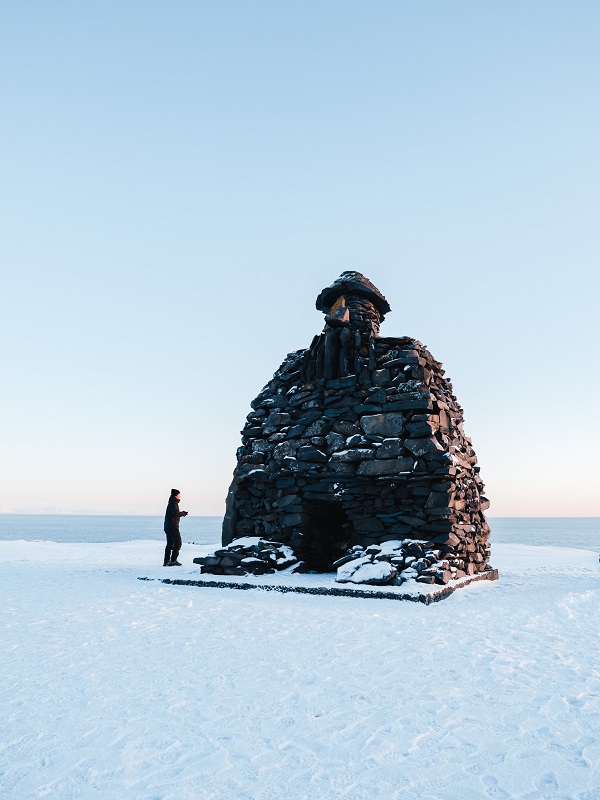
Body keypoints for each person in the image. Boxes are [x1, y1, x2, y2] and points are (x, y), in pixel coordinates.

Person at [163, 489, 188, 566]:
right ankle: (173, 560)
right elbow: (175, 513)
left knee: (170, 544)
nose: (180, 496)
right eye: (179, 494)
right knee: (178, 543)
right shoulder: (173, 502)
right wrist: (183, 513)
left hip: (168, 526)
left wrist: (181, 513)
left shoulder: (171, 502)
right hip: (172, 526)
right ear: (175, 495)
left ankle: (166, 561)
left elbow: (174, 513)